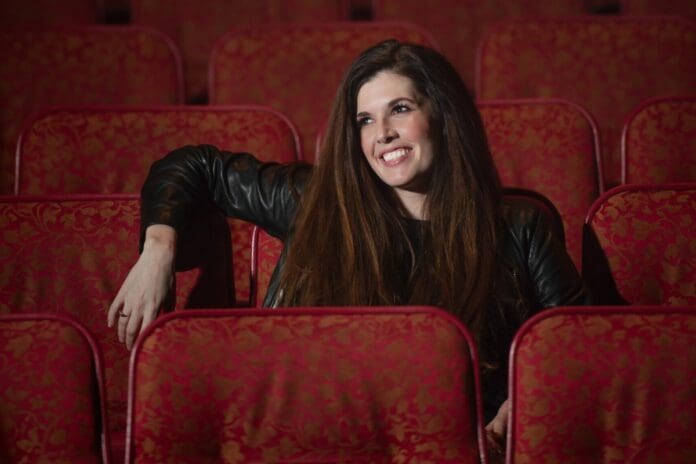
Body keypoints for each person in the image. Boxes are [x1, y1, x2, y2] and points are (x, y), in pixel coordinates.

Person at [107, 39, 589, 453]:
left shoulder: (520, 227)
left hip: (457, 447)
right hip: (320, 439)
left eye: (400, 109)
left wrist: (522, 400)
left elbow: (576, 341)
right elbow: (194, 166)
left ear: (442, 115)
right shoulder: (314, 202)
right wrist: (158, 251)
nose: (382, 134)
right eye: (364, 119)